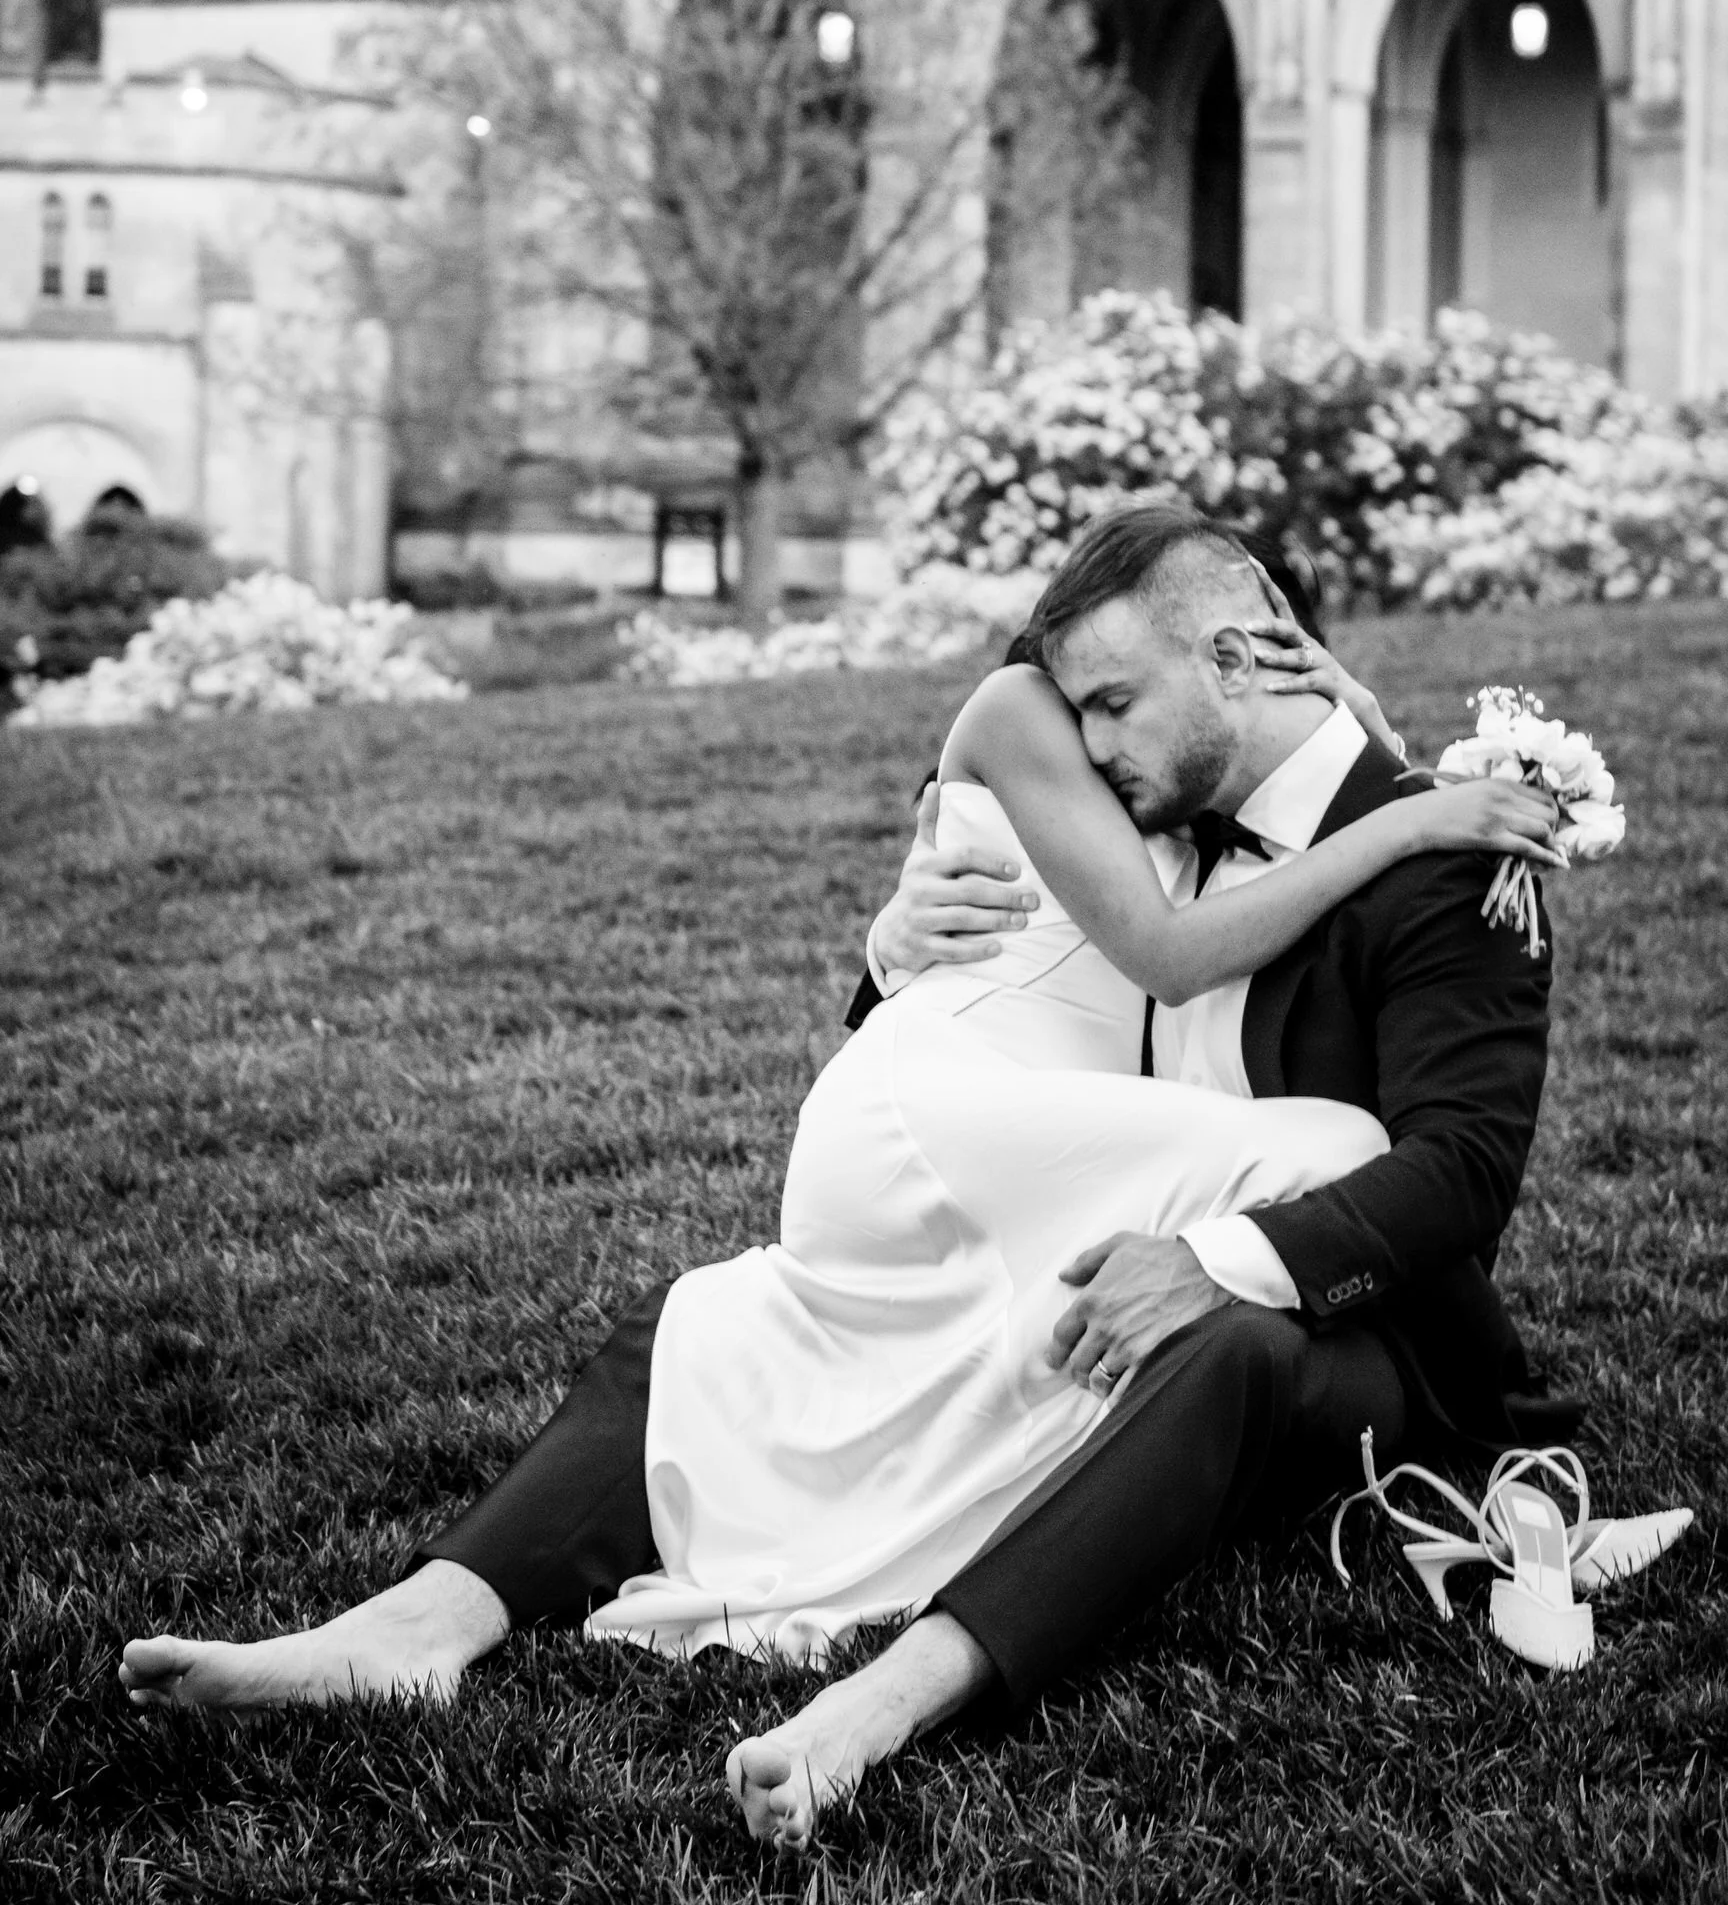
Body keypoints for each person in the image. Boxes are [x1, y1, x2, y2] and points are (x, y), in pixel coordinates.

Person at [119, 511, 1563, 1849]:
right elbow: (1031, 992)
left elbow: (1459, 1177)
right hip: (1093, 1231)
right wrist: (896, 949)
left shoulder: (1454, 850)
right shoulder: (1161, 814)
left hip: (1337, 1330)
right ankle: (420, 1625)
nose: (1093, 734)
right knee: (728, 1319)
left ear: (1237, 656)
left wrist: (1220, 1264)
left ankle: (881, 1705)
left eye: (1115, 700)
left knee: (1231, 1338)